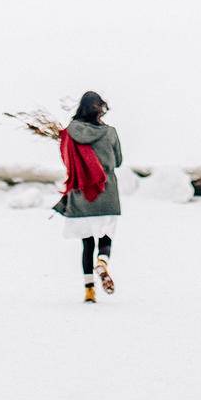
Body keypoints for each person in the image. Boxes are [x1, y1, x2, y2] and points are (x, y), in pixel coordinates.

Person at [54, 91, 122, 303]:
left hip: (82, 193)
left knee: (87, 243)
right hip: (107, 191)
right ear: (100, 107)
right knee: (105, 236)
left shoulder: (69, 133)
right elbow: (118, 161)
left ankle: (89, 290)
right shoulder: (110, 132)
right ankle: (102, 262)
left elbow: (67, 162)